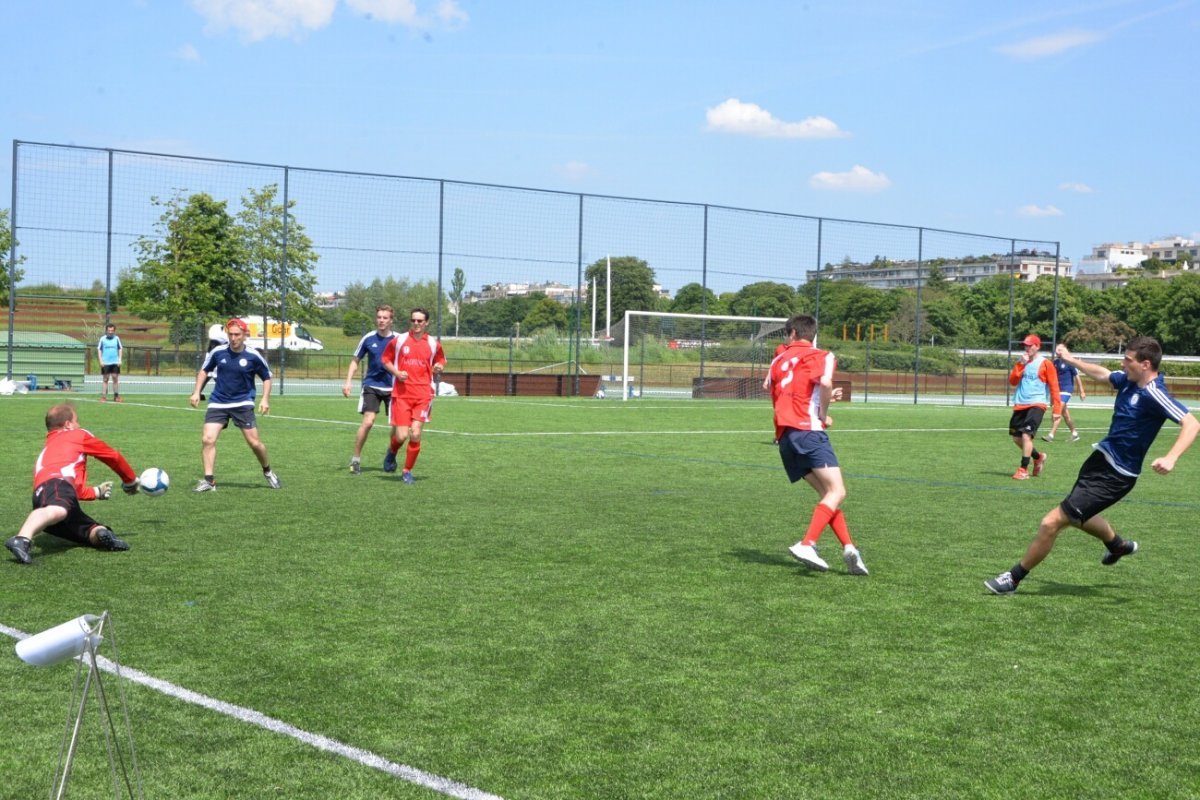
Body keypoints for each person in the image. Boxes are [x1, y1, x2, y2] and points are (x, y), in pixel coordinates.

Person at [986, 337, 1199, 595]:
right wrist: (1071, 359)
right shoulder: (1129, 381)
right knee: (1077, 516)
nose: (1123, 363)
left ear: (1145, 364)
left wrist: (1171, 457)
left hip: (1116, 475)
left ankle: (1014, 578)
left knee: (1051, 522)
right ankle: (1117, 545)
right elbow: (1105, 375)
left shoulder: (1154, 392)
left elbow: (1192, 424)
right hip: (1099, 461)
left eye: (1127, 360)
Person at [764, 314, 868, 575]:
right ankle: (807, 543)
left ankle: (849, 548)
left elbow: (770, 385)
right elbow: (824, 381)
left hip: (786, 437)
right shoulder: (823, 355)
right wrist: (822, 414)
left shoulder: (779, 358)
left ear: (792, 334)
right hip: (808, 431)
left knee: (828, 495)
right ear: (812, 335)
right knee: (838, 491)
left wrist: (814, 401)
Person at [5, 403, 139, 565]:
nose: (79, 425)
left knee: (89, 530)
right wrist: (130, 481)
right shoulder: (77, 434)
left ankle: (101, 534)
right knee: (59, 511)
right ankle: (21, 539)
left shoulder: (50, 446)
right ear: (68, 425)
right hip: (56, 488)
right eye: (76, 421)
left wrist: (96, 492)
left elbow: (71, 490)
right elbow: (113, 456)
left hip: (48, 494)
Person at [188, 318, 280, 492]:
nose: (233, 338)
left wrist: (265, 399)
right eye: (230, 334)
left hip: (242, 402)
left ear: (244, 335)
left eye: (237, 334)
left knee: (254, 443)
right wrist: (196, 391)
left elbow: (267, 377)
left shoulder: (253, 355)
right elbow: (204, 371)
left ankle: (267, 471)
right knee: (207, 439)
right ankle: (209, 481)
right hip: (219, 401)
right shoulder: (218, 352)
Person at [380, 307, 446, 484]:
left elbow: (440, 360)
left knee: (415, 434)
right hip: (402, 395)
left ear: (426, 323)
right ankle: (392, 451)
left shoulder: (433, 343)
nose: (416, 324)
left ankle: (407, 471)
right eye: (413, 320)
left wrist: (439, 366)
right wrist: (396, 372)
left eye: (419, 321)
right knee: (401, 436)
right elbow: (385, 359)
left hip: (424, 395)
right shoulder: (400, 340)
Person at [342, 305, 397, 474]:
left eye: (385, 317)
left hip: (394, 388)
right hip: (371, 385)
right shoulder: (368, 338)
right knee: (368, 422)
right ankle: (356, 460)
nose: (381, 320)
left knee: (398, 427)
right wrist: (348, 381)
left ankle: (391, 454)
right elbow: (355, 361)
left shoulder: (399, 339)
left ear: (391, 321)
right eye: (379, 317)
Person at [1007, 334, 1061, 480]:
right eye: (1026, 345)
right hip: (1020, 404)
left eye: (1030, 345)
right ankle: (1038, 457)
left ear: (1037, 346)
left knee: (1026, 435)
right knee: (1017, 438)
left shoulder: (1046, 363)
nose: (1027, 348)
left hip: (1037, 404)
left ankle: (1023, 469)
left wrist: (1057, 409)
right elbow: (1012, 381)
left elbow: (1055, 386)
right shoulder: (1022, 362)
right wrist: (1020, 364)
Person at [1043, 353, 1087, 442]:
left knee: (1057, 411)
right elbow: (1052, 378)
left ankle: (1051, 435)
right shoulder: (1054, 363)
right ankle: (1075, 434)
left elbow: (1077, 377)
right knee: (1065, 415)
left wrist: (1081, 391)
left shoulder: (1070, 363)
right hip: (1057, 391)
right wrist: (1052, 394)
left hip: (1067, 390)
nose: (1058, 352)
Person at [97, 323, 124, 402]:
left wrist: (119, 360)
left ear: (114, 331)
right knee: (105, 379)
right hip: (105, 363)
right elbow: (99, 349)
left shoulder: (117, 339)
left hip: (115, 362)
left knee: (115, 378)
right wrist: (101, 361)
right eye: (109, 330)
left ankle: (116, 396)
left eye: (112, 330)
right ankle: (104, 397)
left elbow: (120, 349)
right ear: (106, 331)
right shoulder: (102, 339)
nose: (110, 332)